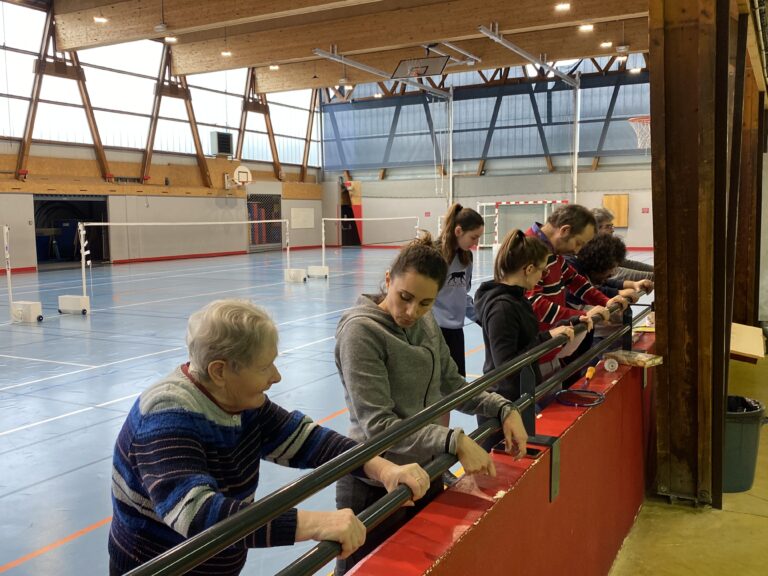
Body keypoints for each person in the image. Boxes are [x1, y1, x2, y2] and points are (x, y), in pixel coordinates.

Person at [108, 299, 430, 576]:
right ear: (220, 371)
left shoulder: (238, 400)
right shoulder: (166, 416)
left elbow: (309, 441)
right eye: (265, 367)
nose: (276, 376)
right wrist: (315, 524)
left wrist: (385, 469)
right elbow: (199, 515)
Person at [334, 232, 528, 574]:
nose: (412, 311)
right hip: (375, 486)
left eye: (426, 303)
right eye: (404, 297)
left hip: (425, 474)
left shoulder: (425, 322)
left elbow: (451, 384)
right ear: (388, 281)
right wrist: (453, 440)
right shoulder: (360, 333)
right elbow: (379, 426)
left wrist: (502, 407)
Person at [474, 229, 584, 449]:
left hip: (517, 397)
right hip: (502, 404)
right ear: (529, 269)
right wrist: (548, 338)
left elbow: (527, 340)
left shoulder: (518, 298)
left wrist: (564, 325)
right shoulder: (502, 307)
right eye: (542, 270)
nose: (542, 276)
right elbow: (506, 365)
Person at [525, 204, 628, 376]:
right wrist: (580, 316)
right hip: (533, 352)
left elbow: (574, 279)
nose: (577, 250)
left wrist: (605, 301)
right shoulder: (531, 249)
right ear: (564, 230)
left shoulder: (551, 250)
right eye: (578, 242)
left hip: (551, 349)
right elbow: (533, 303)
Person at [432, 203, 485, 376]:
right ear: (458, 231)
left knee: (457, 381)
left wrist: (481, 317)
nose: (476, 243)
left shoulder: (466, 257)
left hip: (455, 331)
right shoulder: (433, 255)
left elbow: (462, 294)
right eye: (473, 237)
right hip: (433, 331)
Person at [592, 207, 654, 282]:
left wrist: (655, 269)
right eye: (608, 227)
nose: (612, 230)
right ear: (595, 229)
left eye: (612, 226)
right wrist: (654, 276)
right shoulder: (592, 249)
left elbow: (625, 263)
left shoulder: (604, 244)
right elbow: (616, 273)